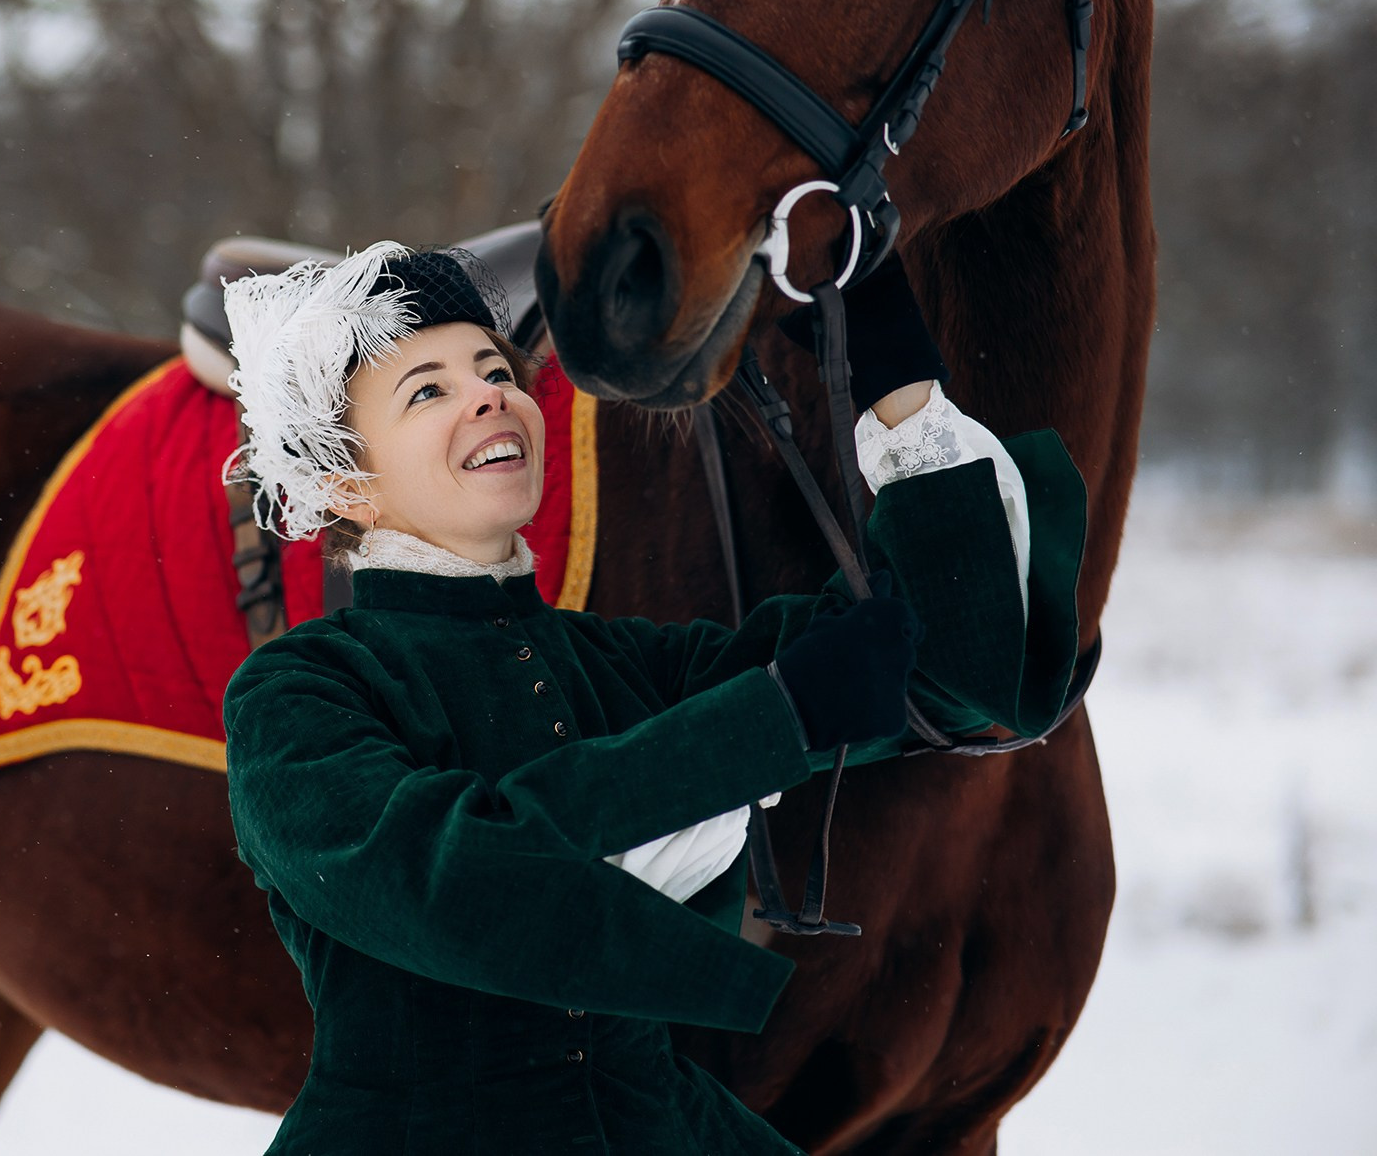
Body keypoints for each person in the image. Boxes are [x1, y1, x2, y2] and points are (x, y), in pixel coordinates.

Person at [218, 241, 1085, 1155]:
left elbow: (954, 671)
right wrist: (768, 722)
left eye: (493, 368)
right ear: (345, 484)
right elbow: (453, 878)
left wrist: (899, 391)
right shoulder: (295, 693)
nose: (489, 393)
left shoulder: (629, 664)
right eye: (426, 390)